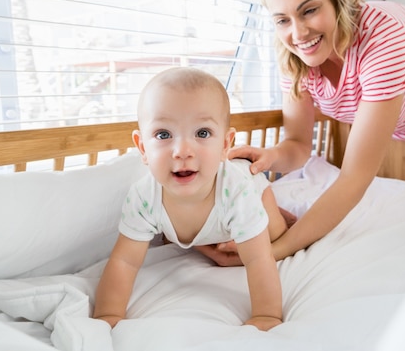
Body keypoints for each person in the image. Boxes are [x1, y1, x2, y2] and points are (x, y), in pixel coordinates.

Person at [197, 0, 405, 266]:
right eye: (282, 20)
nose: (298, 32)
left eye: (309, 10)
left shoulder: (385, 40)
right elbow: (299, 144)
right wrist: (271, 156)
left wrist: (270, 253)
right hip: (384, 112)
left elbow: (354, 177)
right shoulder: (292, 56)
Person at [93, 67, 287, 331]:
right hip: (218, 217)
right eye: (163, 135)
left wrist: (267, 316)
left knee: (273, 233)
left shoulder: (238, 191)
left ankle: (278, 212)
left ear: (225, 145)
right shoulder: (144, 197)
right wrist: (108, 314)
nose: (182, 151)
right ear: (142, 148)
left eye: (202, 133)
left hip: (252, 185)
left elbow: (258, 259)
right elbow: (124, 261)